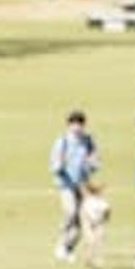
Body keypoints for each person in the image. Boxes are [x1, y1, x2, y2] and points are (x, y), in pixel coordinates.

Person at [50, 108, 102, 261]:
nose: (77, 127)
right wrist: (59, 168)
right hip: (66, 184)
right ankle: (61, 244)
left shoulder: (88, 141)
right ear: (69, 125)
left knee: (82, 219)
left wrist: (91, 166)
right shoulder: (63, 141)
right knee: (70, 212)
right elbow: (55, 164)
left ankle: (68, 248)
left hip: (82, 184)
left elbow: (94, 160)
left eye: (80, 124)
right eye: (74, 124)